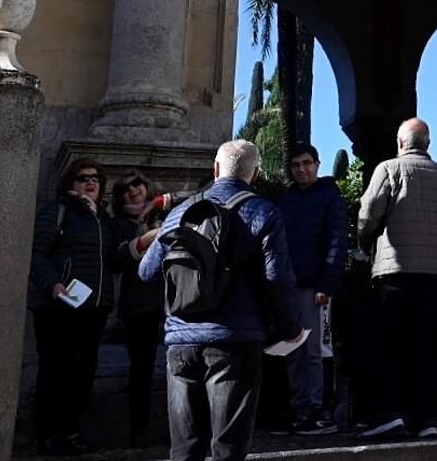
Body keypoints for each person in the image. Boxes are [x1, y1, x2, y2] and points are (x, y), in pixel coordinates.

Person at [139, 140, 304, 461]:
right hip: (235, 341)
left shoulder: (179, 213)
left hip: (181, 341)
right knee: (228, 448)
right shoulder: (264, 211)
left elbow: (147, 272)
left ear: (215, 169)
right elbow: (277, 280)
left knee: (184, 450)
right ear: (255, 173)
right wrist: (290, 328)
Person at [357, 118, 437, 438]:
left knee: (389, 346)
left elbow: (368, 214)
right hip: (432, 275)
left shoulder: (389, 170)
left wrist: (366, 244)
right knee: (424, 348)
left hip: (393, 272)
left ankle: (390, 414)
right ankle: (424, 420)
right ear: (428, 144)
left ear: (400, 143)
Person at [27, 158, 119, 456]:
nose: (90, 182)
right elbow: (36, 253)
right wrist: (53, 284)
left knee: (82, 372)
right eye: (83, 178)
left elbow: (114, 259)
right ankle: (47, 433)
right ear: (70, 183)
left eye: (95, 178)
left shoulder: (102, 218)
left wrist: (139, 244)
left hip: (93, 307)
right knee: (55, 371)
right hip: (58, 306)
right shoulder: (57, 210)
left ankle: (70, 430)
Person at [278, 143, 348, 434]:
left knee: (314, 351)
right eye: (296, 165)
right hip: (289, 287)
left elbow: (337, 240)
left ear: (317, 165)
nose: (302, 169)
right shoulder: (287, 199)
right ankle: (300, 408)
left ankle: (318, 407)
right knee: (292, 351)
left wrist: (326, 283)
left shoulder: (329, 196)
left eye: (307, 163)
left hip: (315, 287)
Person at [112, 171, 174, 447]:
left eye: (137, 183)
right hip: (139, 306)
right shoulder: (118, 224)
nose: (132, 190)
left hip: (174, 303)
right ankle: (140, 428)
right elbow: (115, 260)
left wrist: (160, 203)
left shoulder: (165, 213)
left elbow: (200, 195)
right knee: (142, 370)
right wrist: (142, 241)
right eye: (124, 188)